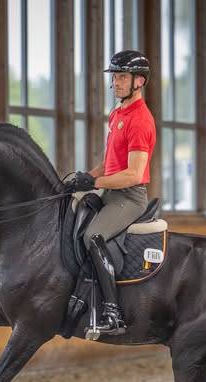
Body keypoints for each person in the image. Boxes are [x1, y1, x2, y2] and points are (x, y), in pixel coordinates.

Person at [66, 50, 156, 335]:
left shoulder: (141, 120)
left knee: (94, 237)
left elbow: (132, 174)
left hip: (129, 197)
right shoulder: (118, 114)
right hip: (110, 192)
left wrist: (95, 183)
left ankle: (113, 313)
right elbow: (108, 164)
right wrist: (84, 177)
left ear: (138, 81)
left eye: (121, 77)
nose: (115, 82)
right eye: (115, 77)